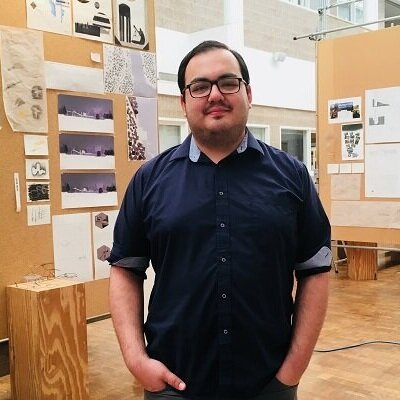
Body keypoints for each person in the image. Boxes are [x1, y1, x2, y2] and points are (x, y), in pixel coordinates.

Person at [108, 40, 331, 400]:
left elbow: (315, 269)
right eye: (199, 86)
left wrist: (294, 368)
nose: (214, 94)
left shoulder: (292, 176)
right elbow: (124, 268)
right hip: (173, 383)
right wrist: (136, 360)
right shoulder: (150, 181)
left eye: (228, 82)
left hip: (267, 383)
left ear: (248, 92)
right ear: (183, 102)